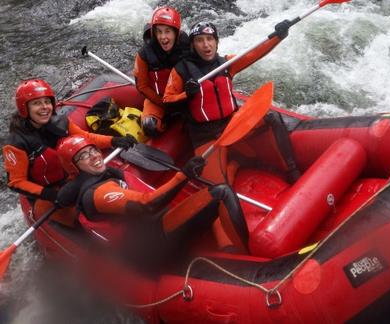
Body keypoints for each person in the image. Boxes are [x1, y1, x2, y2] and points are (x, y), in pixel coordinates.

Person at [56, 136, 249, 264]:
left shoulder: (104, 175)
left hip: (153, 228)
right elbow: (146, 205)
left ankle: (230, 250)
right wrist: (184, 175)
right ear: (74, 167)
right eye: (83, 156)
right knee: (221, 193)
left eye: (93, 150)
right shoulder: (97, 193)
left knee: (213, 197)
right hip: (151, 245)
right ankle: (246, 261)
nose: (94, 156)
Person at [163, 20, 300, 184]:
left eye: (210, 39)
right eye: (200, 40)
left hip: (232, 124)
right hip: (205, 135)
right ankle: (235, 164)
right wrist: (186, 94)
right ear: (193, 45)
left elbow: (254, 53)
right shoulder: (180, 70)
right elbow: (167, 100)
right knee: (216, 187)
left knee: (273, 117)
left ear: (216, 41)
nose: (206, 45)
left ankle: (291, 170)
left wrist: (279, 36)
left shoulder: (226, 63)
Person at [2, 79, 137, 227]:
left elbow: (86, 138)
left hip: (73, 178)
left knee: (112, 184)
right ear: (24, 108)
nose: (44, 107)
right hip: (46, 194)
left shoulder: (60, 122)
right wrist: (52, 195)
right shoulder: (16, 144)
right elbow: (16, 183)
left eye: (47, 102)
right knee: (81, 220)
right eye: (36, 103)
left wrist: (114, 140)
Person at [133, 6, 190, 137]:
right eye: (158, 32)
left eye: (167, 31)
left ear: (176, 32)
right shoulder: (144, 55)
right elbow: (142, 86)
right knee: (150, 127)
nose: (163, 37)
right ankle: (165, 120)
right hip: (158, 100)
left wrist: (181, 99)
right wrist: (164, 103)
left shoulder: (188, 47)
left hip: (184, 97)